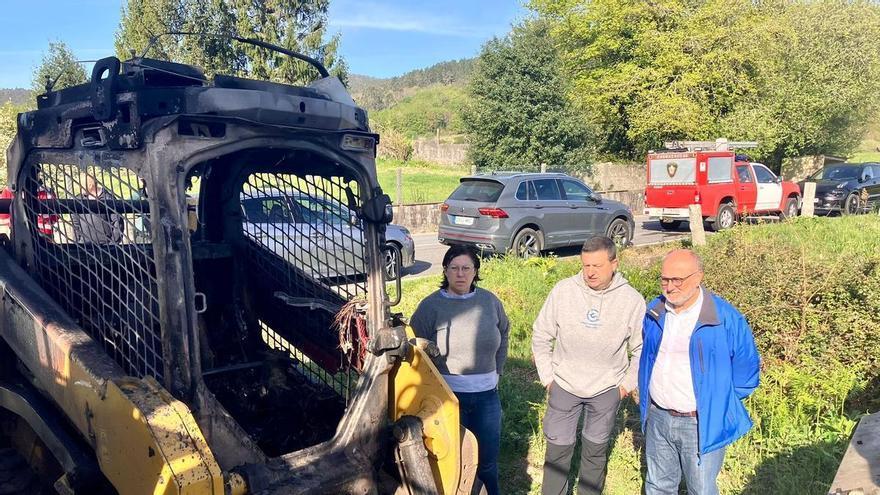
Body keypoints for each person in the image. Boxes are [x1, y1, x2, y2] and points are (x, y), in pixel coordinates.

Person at [638, 249, 760, 495]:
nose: (670, 287)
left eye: (677, 280)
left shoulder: (724, 318)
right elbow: (648, 356)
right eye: (665, 279)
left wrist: (717, 401)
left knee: (701, 489)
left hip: (700, 422)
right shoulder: (656, 311)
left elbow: (746, 372)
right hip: (658, 416)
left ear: (698, 278)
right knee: (658, 485)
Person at [532, 236, 645, 495]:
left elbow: (640, 350)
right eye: (586, 266)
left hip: (606, 389)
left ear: (614, 263)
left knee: (595, 453)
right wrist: (549, 378)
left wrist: (624, 387)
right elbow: (540, 335)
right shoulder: (563, 291)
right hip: (564, 385)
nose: (590, 273)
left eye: (597, 266)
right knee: (557, 453)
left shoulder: (631, 300)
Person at [409, 245, 509, 495]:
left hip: (488, 397)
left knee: (487, 462)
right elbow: (414, 348)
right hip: (449, 400)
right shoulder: (430, 307)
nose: (461, 274)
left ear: (475, 271)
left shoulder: (490, 301)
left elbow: (504, 332)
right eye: (454, 268)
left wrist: (498, 371)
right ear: (445, 271)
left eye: (466, 268)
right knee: (454, 462)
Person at [72, 174, 124, 244]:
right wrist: (77, 244)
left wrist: (112, 244)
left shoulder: (108, 199)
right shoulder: (78, 200)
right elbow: (75, 224)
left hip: (105, 246)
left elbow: (118, 222)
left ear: (90, 185)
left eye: (81, 185)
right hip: (84, 246)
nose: (79, 188)